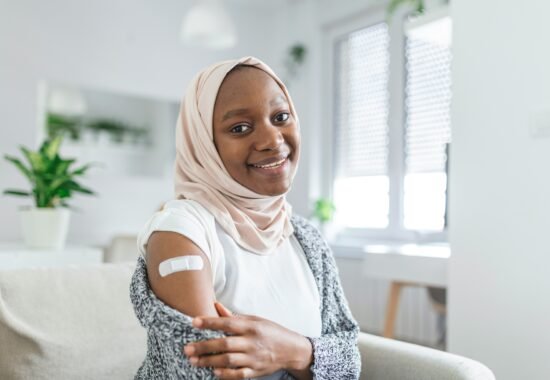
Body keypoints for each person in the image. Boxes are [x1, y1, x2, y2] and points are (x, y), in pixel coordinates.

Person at [130, 56, 360, 380]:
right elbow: (202, 373)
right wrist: (309, 356)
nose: (272, 140)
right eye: (239, 128)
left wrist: (288, 349)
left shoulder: (305, 238)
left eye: (281, 117)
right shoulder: (182, 232)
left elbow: (349, 360)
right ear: (204, 144)